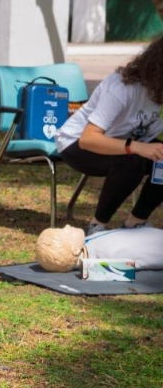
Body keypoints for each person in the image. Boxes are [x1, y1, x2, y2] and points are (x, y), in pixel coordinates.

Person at [55, 37, 163, 234]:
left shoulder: (159, 92)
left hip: (126, 144)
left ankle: (135, 222)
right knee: (134, 159)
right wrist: (137, 147)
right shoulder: (122, 88)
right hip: (76, 144)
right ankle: (97, 225)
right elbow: (88, 139)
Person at [35, 224, 163, 272]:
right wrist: (89, 269)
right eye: (65, 231)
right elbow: (127, 267)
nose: (67, 225)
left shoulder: (88, 242)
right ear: (75, 249)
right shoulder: (108, 253)